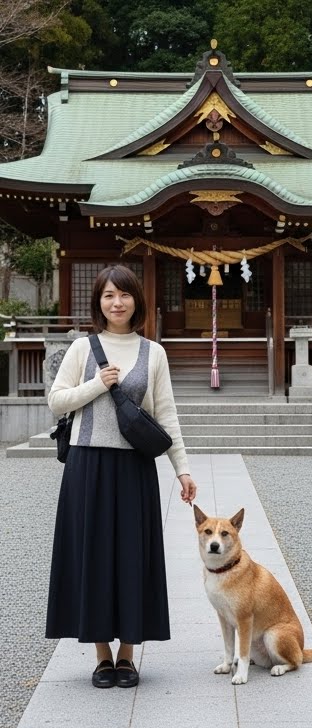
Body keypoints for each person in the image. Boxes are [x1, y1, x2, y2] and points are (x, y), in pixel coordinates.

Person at [47, 264, 196, 689]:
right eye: (109, 295)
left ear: (137, 301)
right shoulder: (82, 348)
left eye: (125, 295)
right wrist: (96, 384)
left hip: (134, 468)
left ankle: (128, 656)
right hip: (87, 465)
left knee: (134, 556)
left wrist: (182, 469)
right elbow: (57, 402)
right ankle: (101, 657)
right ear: (99, 301)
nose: (117, 302)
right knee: (91, 556)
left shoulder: (154, 352)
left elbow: (165, 414)